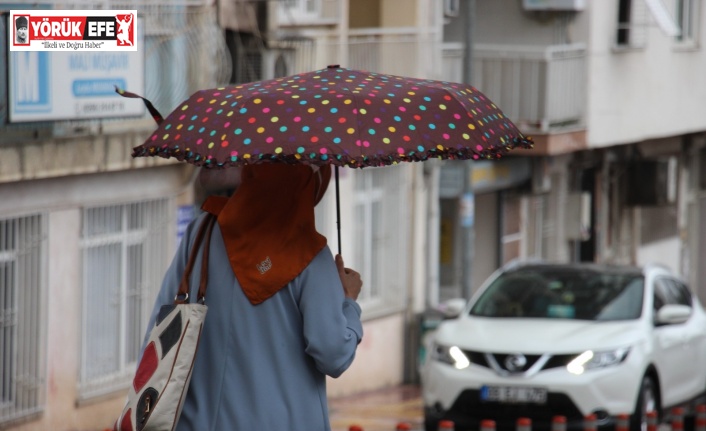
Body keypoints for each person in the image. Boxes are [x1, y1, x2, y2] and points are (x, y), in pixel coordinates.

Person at [141, 163, 363, 431]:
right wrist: (348, 303)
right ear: (306, 189)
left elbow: (160, 324)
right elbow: (333, 354)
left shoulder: (203, 232)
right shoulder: (310, 256)